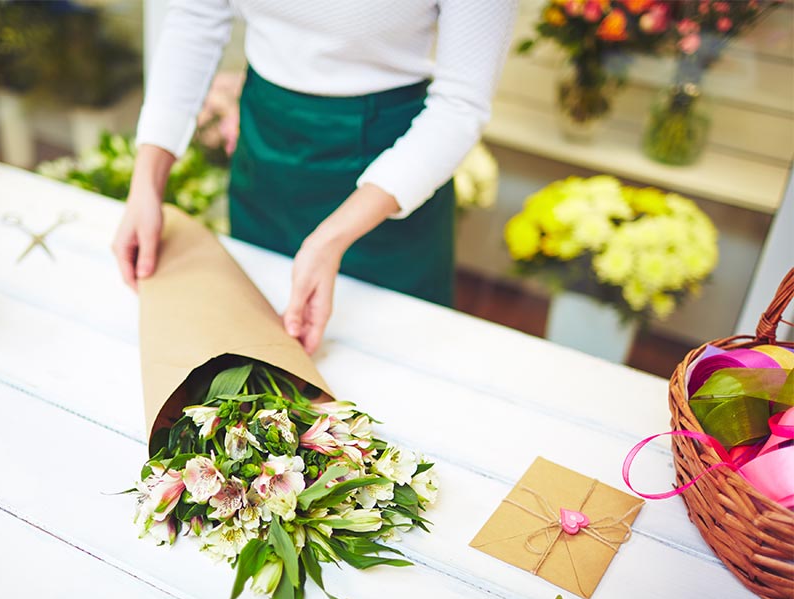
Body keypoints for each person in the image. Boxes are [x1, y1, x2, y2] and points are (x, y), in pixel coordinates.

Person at [114, 1, 516, 354]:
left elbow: (461, 104)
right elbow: (196, 17)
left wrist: (330, 239)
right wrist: (146, 183)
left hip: (390, 169)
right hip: (267, 141)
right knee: (255, 346)